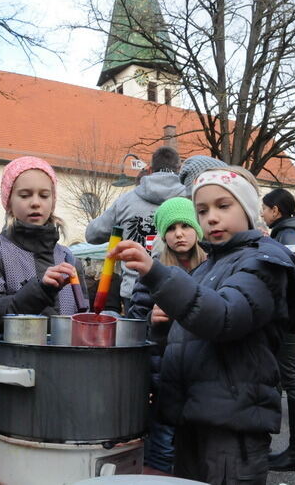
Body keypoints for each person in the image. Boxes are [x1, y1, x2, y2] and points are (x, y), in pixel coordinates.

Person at [110, 168, 295, 484]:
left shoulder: (261, 262)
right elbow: (188, 334)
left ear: (248, 209)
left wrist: (156, 274)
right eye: (202, 210)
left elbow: (224, 318)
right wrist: (161, 329)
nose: (211, 217)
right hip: (194, 418)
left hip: (232, 427)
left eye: (223, 206)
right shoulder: (208, 267)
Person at [0, 156, 88, 427]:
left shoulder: (69, 257)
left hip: (62, 383)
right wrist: (39, 289)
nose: (35, 202)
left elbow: (82, 316)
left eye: (44, 195)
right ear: (8, 201)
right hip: (7, 379)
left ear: (53, 200)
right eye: (25, 194)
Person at [127, 196, 207, 474]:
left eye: (185, 225)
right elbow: (134, 324)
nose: (179, 234)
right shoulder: (152, 272)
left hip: (201, 375)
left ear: (197, 228)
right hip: (164, 376)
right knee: (161, 445)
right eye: (171, 228)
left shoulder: (210, 268)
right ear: (163, 234)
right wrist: (152, 321)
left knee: (198, 449)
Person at [86, 146, 186, 310]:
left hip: (134, 292)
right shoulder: (191, 198)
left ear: (150, 169)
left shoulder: (126, 201)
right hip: (179, 290)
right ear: (179, 168)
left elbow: (92, 234)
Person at [260, 187, 295, 472]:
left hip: (289, 318)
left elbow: (290, 277)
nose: (262, 213)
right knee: (287, 377)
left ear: (276, 211)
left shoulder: (287, 234)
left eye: (265, 208)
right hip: (290, 316)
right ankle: (293, 449)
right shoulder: (286, 231)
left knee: (291, 378)